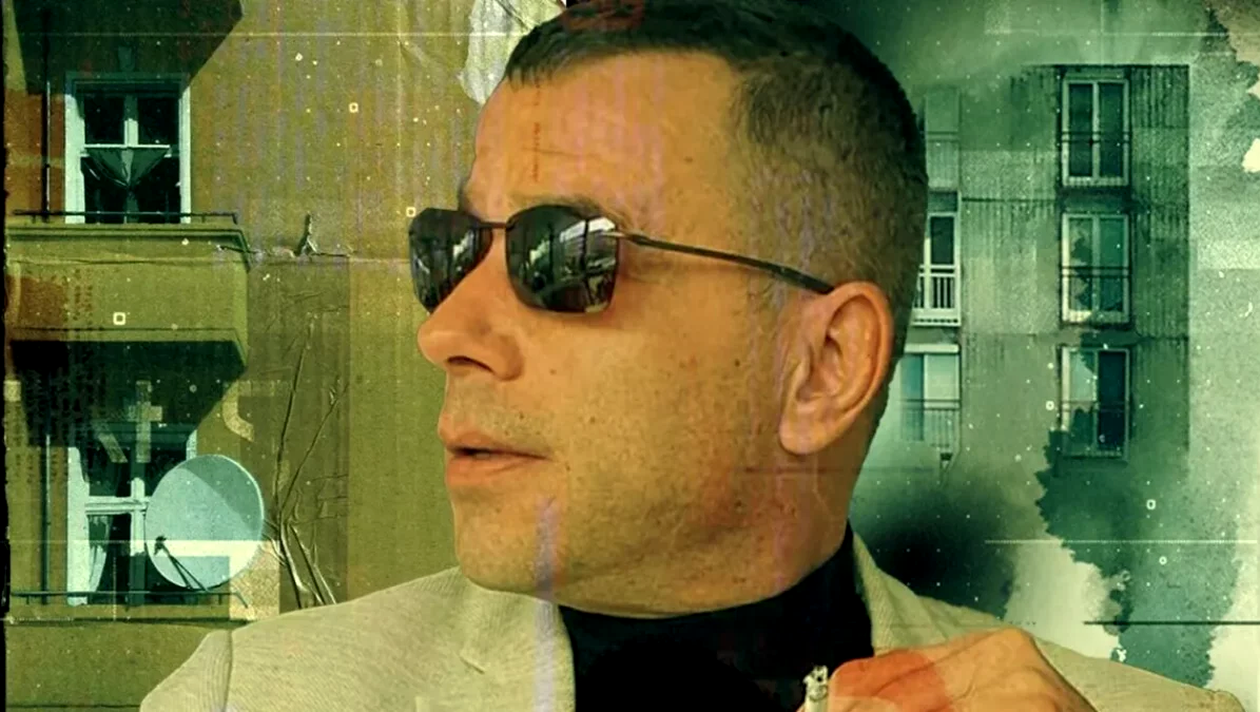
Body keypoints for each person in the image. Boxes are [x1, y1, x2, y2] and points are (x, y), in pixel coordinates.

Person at [143, 1, 1246, 710]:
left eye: (562, 254)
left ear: (824, 365)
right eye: (452, 249)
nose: (445, 331)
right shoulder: (250, 699)